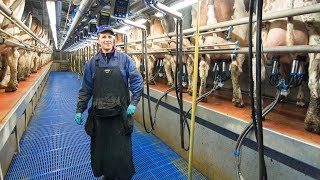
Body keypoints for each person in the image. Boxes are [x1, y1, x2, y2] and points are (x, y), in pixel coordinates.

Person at [74, 25, 143, 180]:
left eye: (110, 36)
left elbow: (137, 81)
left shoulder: (124, 59)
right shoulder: (92, 63)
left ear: (114, 39)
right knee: (102, 148)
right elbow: (86, 88)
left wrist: (134, 102)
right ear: (98, 40)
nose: (107, 39)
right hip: (99, 115)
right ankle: (107, 175)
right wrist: (80, 109)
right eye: (103, 37)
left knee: (122, 149)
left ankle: (123, 176)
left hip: (120, 114)